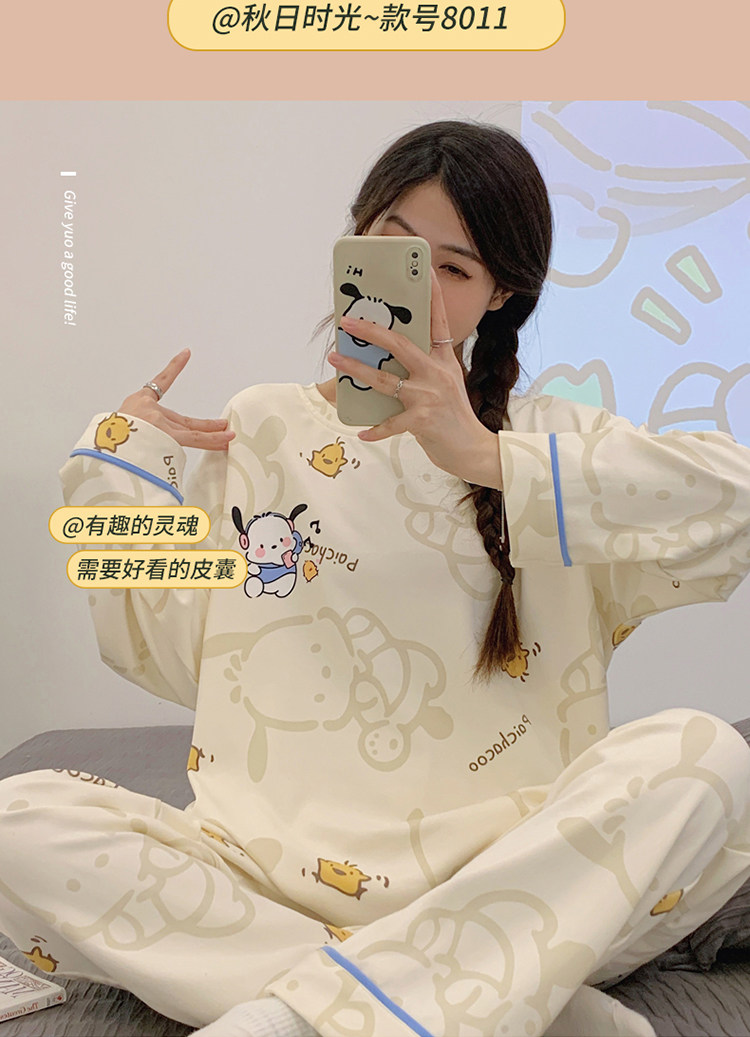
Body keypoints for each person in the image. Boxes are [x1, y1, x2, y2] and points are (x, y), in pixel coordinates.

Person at [1, 119, 750, 1037]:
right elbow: (163, 652)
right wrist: (122, 461)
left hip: (513, 868)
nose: (420, 292)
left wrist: (486, 457)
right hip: (275, 877)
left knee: (707, 757)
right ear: (353, 239)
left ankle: (300, 1012)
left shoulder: (546, 440)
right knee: (18, 818)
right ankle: (494, 991)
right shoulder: (263, 425)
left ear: (502, 293)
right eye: (396, 251)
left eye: (454, 268)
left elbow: (737, 501)